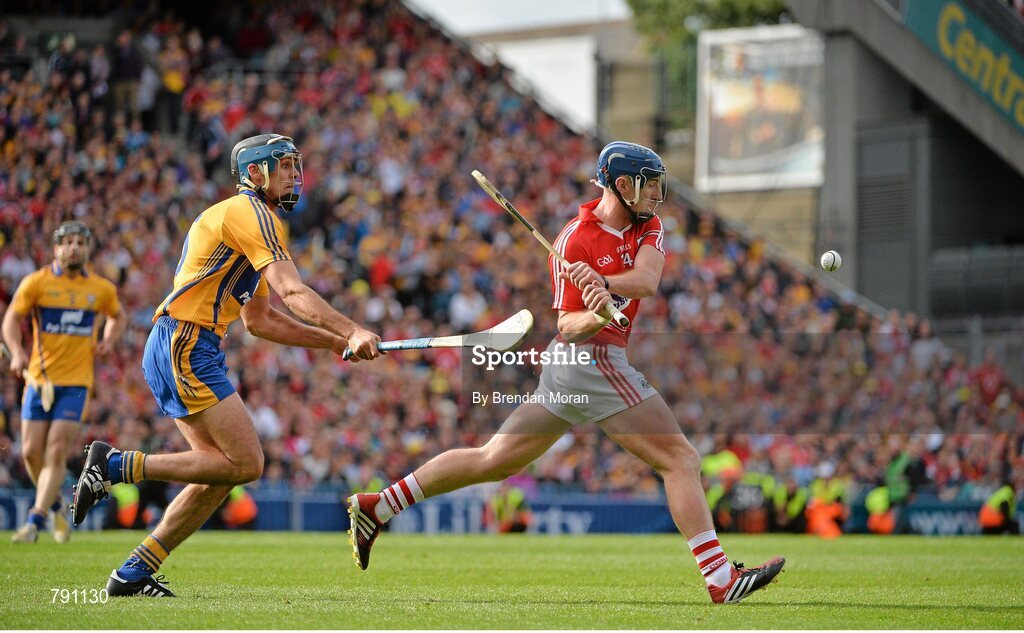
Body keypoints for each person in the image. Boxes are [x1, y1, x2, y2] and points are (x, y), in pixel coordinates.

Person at [347, 141, 785, 604]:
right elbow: (568, 328)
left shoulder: (648, 225)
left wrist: (605, 284)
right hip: (589, 360)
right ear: (623, 185)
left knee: (496, 459)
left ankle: (380, 505)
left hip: (574, 368)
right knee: (680, 460)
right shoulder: (572, 241)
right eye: (650, 186)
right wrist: (594, 314)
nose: (657, 195)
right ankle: (720, 579)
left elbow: (648, 280)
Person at [70, 133, 383, 597]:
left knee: (217, 470)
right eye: (283, 167)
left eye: (296, 166)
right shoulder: (249, 213)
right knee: (247, 462)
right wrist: (353, 328)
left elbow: (260, 320)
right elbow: (292, 293)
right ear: (254, 173)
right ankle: (115, 467)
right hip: (186, 342)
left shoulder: (256, 221)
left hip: (189, 344)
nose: (295, 175)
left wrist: (336, 341)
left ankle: (131, 574)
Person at [3, 221, 124, 544]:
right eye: (68, 242)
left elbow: (117, 316)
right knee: (31, 453)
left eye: (80, 243)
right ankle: (55, 504)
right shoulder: (37, 283)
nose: (74, 248)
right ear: (56, 247)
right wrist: (16, 352)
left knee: (56, 450)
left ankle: (34, 520)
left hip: (76, 384)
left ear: (87, 249)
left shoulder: (100, 289)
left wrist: (108, 339)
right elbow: (11, 320)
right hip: (39, 381)